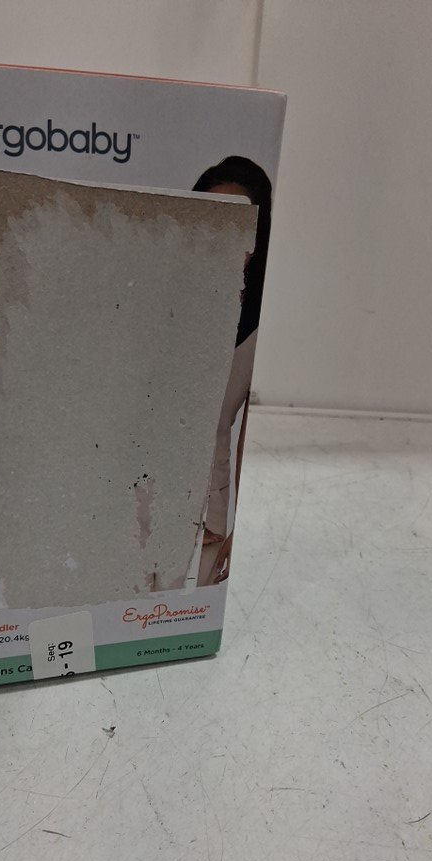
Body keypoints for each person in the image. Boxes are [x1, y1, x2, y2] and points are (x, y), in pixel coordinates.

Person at [193, 157, 272, 585]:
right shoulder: (149, 297)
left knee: (187, 615)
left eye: (238, 223)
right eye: (211, 217)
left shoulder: (261, 324)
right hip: (121, 505)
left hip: (207, 514)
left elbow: (250, 439)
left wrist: (242, 529)